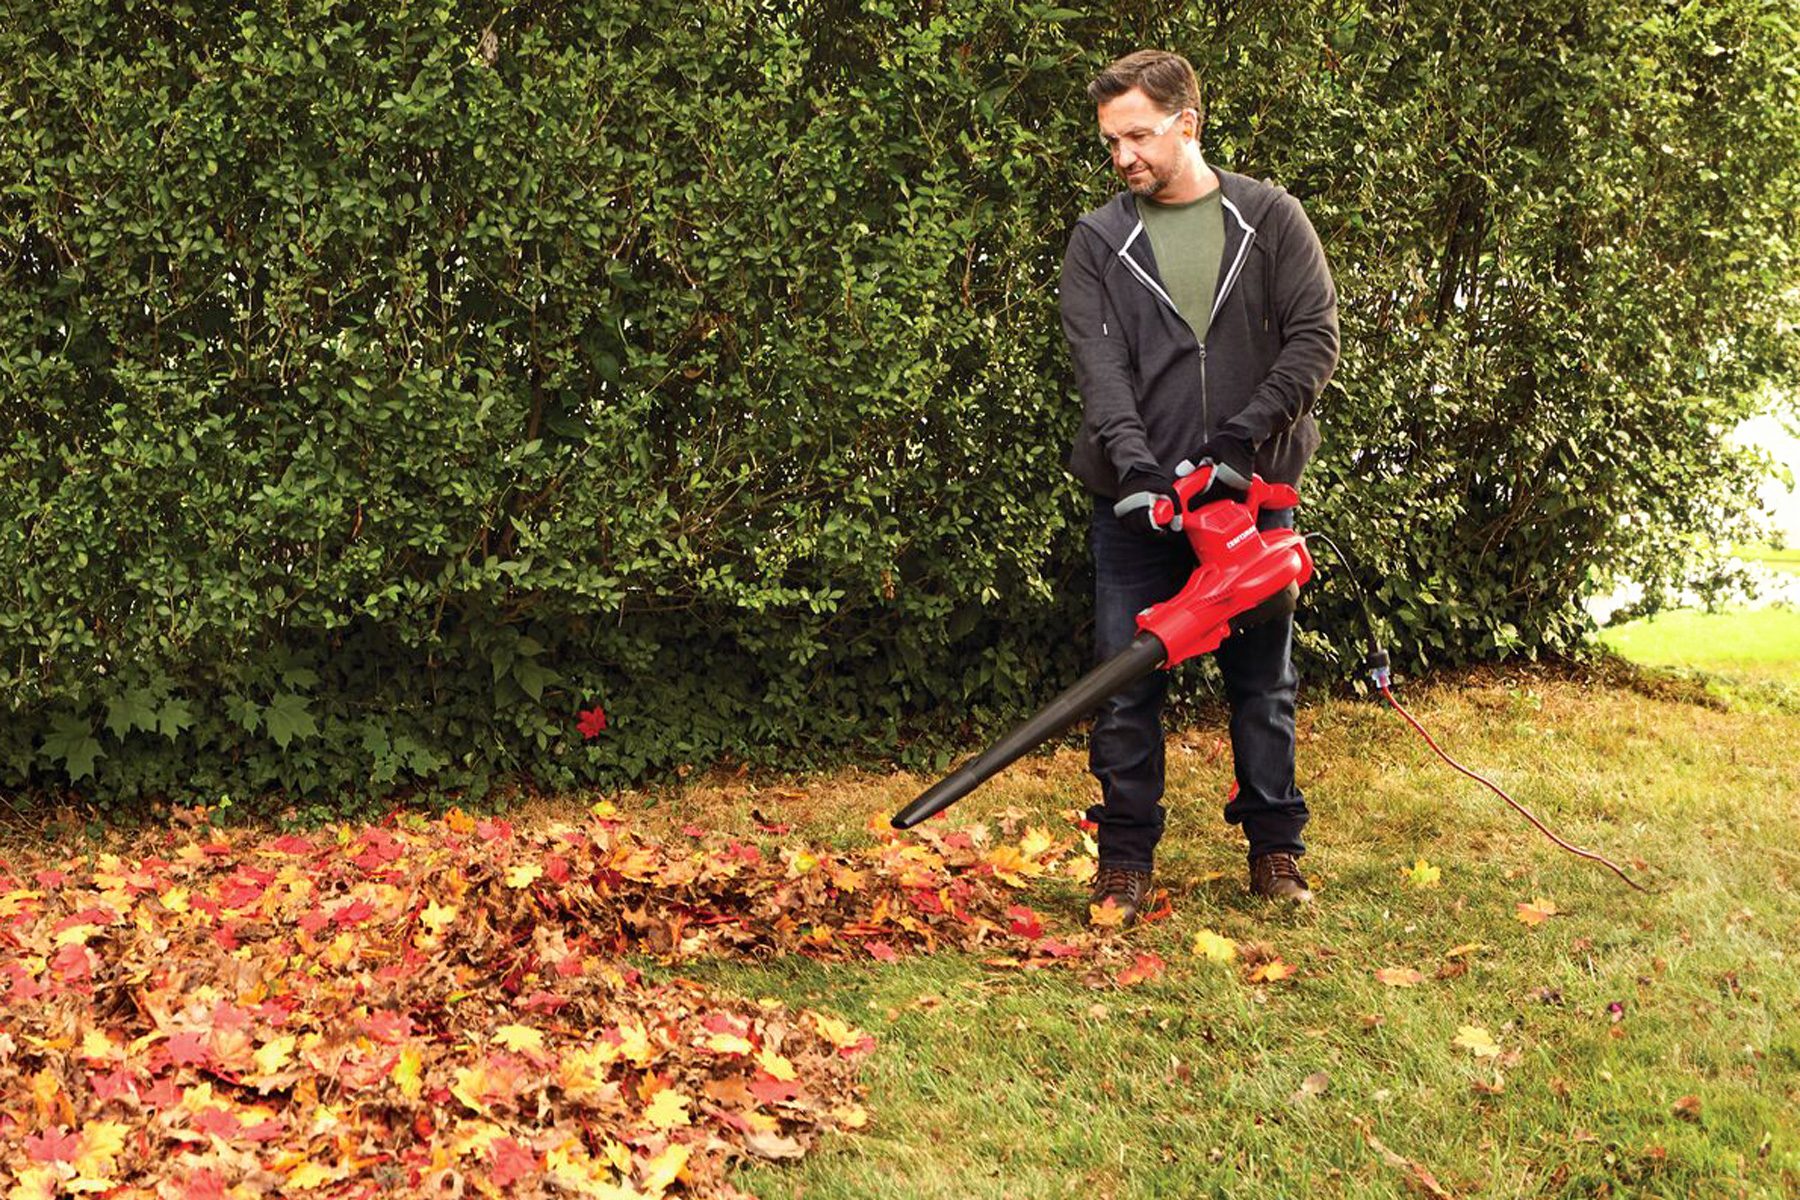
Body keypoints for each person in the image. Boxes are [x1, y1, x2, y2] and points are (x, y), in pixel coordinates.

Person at [1059, 49, 1340, 924]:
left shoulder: (1270, 218)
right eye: (1112, 142)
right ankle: (1124, 861)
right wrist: (1138, 469)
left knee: (1263, 685)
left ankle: (1275, 850)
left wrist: (1239, 442)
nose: (1123, 157)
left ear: (1188, 123)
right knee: (1124, 686)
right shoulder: (1100, 239)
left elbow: (1313, 340)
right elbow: (1100, 367)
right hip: (1138, 505)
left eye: (1139, 136)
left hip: (1250, 499)